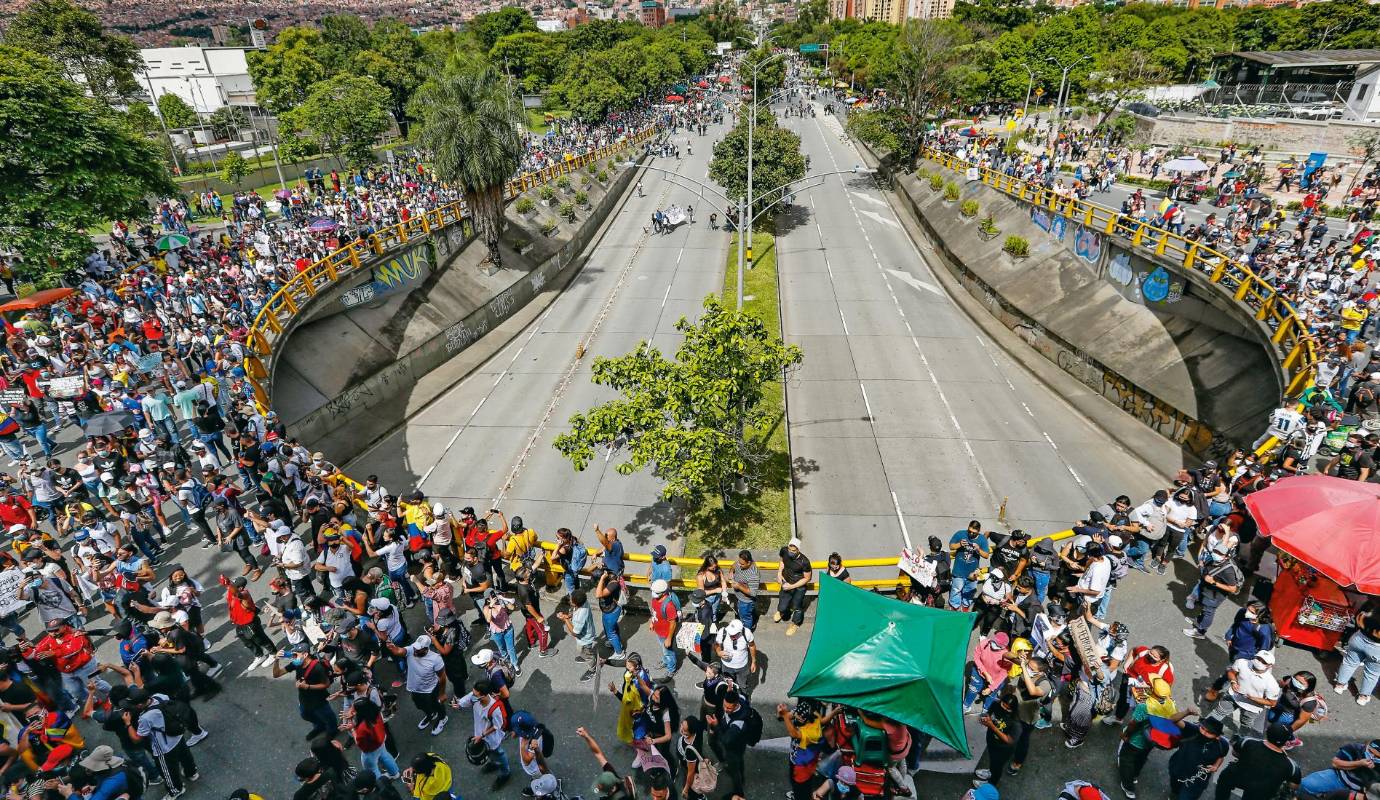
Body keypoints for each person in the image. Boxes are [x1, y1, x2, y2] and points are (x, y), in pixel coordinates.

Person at [381, 635, 448, 736]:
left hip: (431, 689)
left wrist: (442, 693)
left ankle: (442, 718)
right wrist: (392, 647)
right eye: (415, 647)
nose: (415, 650)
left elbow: (442, 677)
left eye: (418, 649)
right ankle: (431, 714)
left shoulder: (435, 659)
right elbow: (399, 651)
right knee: (420, 705)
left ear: (426, 649)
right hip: (415, 689)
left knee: (437, 705)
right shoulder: (412, 650)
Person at [1213, 723, 1301, 800]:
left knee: (1225, 779)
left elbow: (1235, 753)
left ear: (1267, 732)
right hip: (1261, 791)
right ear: (1286, 742)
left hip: (1237, 776)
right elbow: (1293, 786)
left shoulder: (1247, 741)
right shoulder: (1292, 766)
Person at [458, 679, 511, 790]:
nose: (473, 696)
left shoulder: (494, 709)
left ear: (483, 695)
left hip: (490, 738)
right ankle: (494, 763)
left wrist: (482, 736)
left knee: (499, 753)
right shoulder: (476, 697)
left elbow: (497, 726)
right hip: (480, 734)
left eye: (475, 694)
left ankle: (505, 773)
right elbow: (467, 699)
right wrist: (459, 704)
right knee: (489, 753)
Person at [1167, 717, 1228, 800]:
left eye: (1209, 732)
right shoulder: (1193, 731)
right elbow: (1172, 719)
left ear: (1217, 736)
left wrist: (1216, 766)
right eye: (1202, 728)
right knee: (1175, 788)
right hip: (1177, 770)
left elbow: (1221, 756)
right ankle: (1174, 794)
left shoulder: (1222, 745)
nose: (1203, 733)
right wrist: (1187, 712)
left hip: (1196, 780)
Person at [1333, 599, 1380, 706]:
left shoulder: (1372, 603)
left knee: (1349, 663)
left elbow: (1357, 617)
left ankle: (1339, 685)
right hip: (1377, 649)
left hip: (1359, 639)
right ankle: (1363, 697)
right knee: (1372, 674)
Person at [1299, 738, 1380, 798]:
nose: (1372, 757)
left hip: (1360, 792)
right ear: (1367, 746)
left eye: (1377, 756)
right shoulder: (1354, 748)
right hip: (1338, 778)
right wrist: (1359, 763)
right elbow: (1335, 763)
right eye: (1370, 752)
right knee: (1304, 784)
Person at [557, 589, 597, 682]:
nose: (569, 600)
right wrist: (568, 616)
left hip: (585, 639)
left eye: (571, 600)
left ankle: (592, 670)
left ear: (575, 603)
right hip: (587, 633)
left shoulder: (580, 616)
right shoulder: (584, 602)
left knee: (587, 653)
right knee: (583, 651)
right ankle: (584, 656)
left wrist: (565, 619)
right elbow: (574, 611)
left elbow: (575, 632)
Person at [949, 521, 990, 612]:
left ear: (978, 531)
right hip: (959, 571)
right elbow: (951, 546)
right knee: (956, 590)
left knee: (969, 591)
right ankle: (954, 608)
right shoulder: (960, 534)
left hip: (972, 573)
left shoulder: (982, 539)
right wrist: (959, 544)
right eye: (969, 531)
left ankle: (965, 608)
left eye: (973, 532)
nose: (971, 534)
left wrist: (978, 549)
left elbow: (986, 555)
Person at [775, 538, 812, 635]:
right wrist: (779, 573)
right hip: (786, 581)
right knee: (782, 602)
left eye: (793, 551)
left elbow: (807, 578)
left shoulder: (804, 562)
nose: (791, 552)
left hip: (798, 586)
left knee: (797, 606)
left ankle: (795, 623)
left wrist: (792, 586)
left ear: (798, 550)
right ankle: (782, 611)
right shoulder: (784, 551)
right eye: (789, 550)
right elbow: (782, 561)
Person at [648, 579, 680, 677]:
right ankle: (666, 661)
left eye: (656, 592)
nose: (653, 594)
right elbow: (654, 611)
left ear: (663, 593)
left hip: (666, 634)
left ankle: (671, 669)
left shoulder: (669, 606)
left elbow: (673, 623)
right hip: (659, 631)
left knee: (668, 652)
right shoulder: (655, 599)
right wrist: (652, 622)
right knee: (664, 650)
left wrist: (669, 638)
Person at [714, 619, 756, 688]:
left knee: (742, 685)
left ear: (740, 631)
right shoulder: (723, 632)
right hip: (726, 666)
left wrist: (753, 661)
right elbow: (716, 644)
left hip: (742, 667)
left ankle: (744, 696)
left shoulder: (747, 633)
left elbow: (752, 646)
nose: (731, 636)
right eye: (730, 634)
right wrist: (718, 652)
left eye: (734, 635)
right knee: (729, 685)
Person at [729, 551, 759, 630]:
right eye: (739, 562)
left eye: (742, 564)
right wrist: (731, 572)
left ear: (749, 562)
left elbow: (753, 593)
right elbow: (734, 565)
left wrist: (738, 586)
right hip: (738, 597)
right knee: (741, 614)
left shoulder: (753, 575)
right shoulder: (740, 563)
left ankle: (746, 633)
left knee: (746, 618)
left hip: (746, 601)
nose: (739, 565)